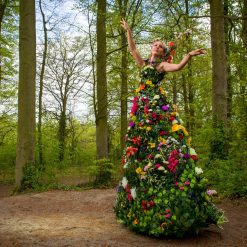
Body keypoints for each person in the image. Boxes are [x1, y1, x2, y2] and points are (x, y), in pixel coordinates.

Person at [114, 19, 226, 237]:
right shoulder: (144, 63)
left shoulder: (161, 66)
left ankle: (170, 197)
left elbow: (178, 67)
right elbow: (132, 48)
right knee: (139, 151)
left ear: (163, 53)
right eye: (155, 44)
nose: (156, 46)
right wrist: (128, 30)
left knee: (165, 146)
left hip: (156, 111)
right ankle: (139, 204)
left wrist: (188, 56)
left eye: (160, 46)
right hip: (141, 112)